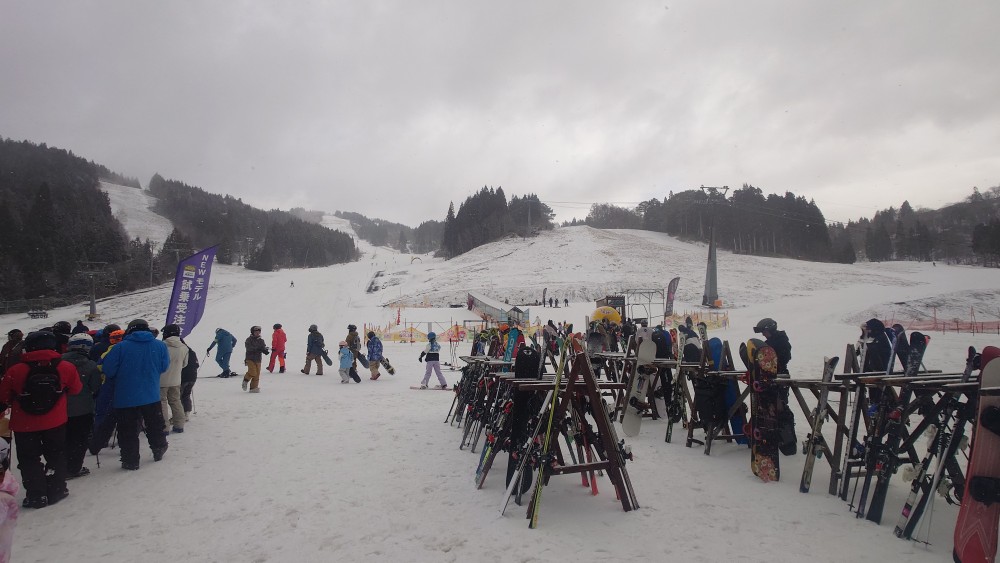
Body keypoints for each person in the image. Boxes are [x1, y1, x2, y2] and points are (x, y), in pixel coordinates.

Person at [0, 330, 83, 508]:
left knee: (29, 458)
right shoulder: (66, 367)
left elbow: (4, 397)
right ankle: (57, 489)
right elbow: (76, 389)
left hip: (24, 424)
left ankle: (36, 495)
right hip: (55, 421)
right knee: (56, 455)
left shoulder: (15, 370)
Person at [99, 319, 170, 470]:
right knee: (155, 424)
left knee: (127, 430)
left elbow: (109, 370)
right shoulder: (160, 346)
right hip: (151, 394)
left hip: (125, 396)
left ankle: (130, 460)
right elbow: (164, 367)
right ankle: (159, 447)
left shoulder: (119, 348)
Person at [753, 317, 796, 455]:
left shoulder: (781, 341)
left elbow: (784, 358)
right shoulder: (768, 343)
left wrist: (773, 361)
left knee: (780, 408)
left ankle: (786, 439)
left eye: (764, 331)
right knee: (768, 409)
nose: (763, 334)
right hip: (769, 379)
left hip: (780, 377)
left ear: (770, 329)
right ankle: (774, 436)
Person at [61, 333, 101, 479]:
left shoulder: (58, 362)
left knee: (63, 438)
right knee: (80, 439)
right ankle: (74, 467)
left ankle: (60, 466)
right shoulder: (90, 365)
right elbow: (96, 387)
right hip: (83, 408)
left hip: (60, 408)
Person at [160, 324, 188, 432]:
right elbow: (184, 364)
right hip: (176, 379)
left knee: (162, 403)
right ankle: (179, 425)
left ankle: (164, 427)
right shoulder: (184, 347)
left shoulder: (161, 345)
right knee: (176, 401)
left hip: (161, 380)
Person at [241, 326, 269, 393]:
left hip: (258, 359)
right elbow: (249, 348)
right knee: (253, 372)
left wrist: (265, 350)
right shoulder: (249, 340)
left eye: (259, 331)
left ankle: (253, 388)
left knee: (257, 375)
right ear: (252, 332)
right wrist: (258, 349)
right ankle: (245, 380)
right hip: (250, 358)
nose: (257, 333)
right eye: (256, 331)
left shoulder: (261, 340)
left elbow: (263, 347)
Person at [179, 337, 198, 421]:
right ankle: (187, 412)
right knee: (186, 394)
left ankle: (180, 414)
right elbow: (197, 364)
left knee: (178, 396)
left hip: (182, 376)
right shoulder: (191, 351)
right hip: (192, 376)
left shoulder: (179, 351)